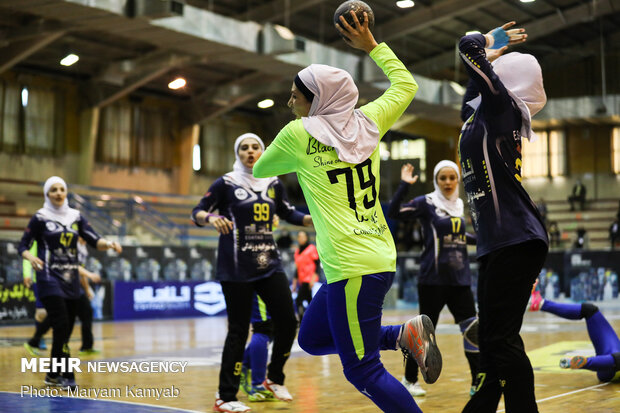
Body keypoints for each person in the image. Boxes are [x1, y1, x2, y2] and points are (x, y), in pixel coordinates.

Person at [253, 12, 442, 413]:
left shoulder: (297, 135)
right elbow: (407, 85)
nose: (290, 102)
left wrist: (304, 156)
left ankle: (401, 345)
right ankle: (401, 335)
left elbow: (260, 169)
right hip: (369, 259)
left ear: (317, 100)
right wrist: (372, 45)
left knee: (361, 370)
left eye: (295, 96)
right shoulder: (370, 120)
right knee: (313, 339)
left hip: (354, 265)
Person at [458, 21, 549, 412]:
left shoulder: (504, 110)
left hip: (516, 238)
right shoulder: (479, 117)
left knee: (500, 340)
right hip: (500, 243)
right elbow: (470, 91)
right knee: (493, 340)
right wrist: (487, 62)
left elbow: (467, 46)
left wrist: (488, 44)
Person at [191, 133, 312, 413]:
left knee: (288, 321)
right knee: (238, 331)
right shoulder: (226, 183)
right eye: (244, 148)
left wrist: (316, 219)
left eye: (255, 147)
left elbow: (290, 213)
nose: (250, 151)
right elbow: (197, 211)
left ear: (263, 151)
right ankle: (225, 396)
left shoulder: (273, 183)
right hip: (236, 269)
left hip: (269, 265)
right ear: (238, 153)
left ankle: (274, 377)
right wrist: (211, 217)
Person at [18, 176, 122, 389]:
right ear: (47, 194)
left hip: (71, 280)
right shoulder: (40, 218)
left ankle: (52, 375)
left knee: (63, 330)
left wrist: (110, 244)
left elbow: (94, 240)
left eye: (62, 189)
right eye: (53, 190)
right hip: (48, 277)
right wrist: (30, 258)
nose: (58, 193)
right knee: (62, 324)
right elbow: (23, 246)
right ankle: (67, 374)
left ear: (66, 193)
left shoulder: (76, 216)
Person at [388, 161, 479, 397]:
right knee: (423, 334)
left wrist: (482, 239)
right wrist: (404, 186)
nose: (448, 182)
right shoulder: (427, 203)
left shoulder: (459, 205)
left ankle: (478, 381)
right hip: (432, 281)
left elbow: (458, 235)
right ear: (436, 181)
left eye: (452, 178)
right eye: (443, 178)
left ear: (457, 180)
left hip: (460, 280)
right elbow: (393, 212)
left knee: (472, 330)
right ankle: (409, 380)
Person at [529, 290, 620, 382]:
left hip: (613, 370)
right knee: (589, 310)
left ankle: (583, 362)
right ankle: (540, 303)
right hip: (612, 355)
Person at [239, 294, 275, 402]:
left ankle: (242, 367)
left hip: (263, 280)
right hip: (257, 280)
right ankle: (258, 386)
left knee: (273, 326)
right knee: (263, 326)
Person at [292, 230, 319, 321]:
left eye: (303, 236)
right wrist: (294, 283)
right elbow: (297, 269)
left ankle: (302, 320)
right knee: (309, 300)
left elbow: (317, 264)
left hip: (308, 279)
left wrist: (313, 279)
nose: (300, 238)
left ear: (306, 237)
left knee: (298, 300)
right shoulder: (297, 251)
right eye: (299, 236)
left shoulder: (311, 248)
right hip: (301, 279)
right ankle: (313, 319)